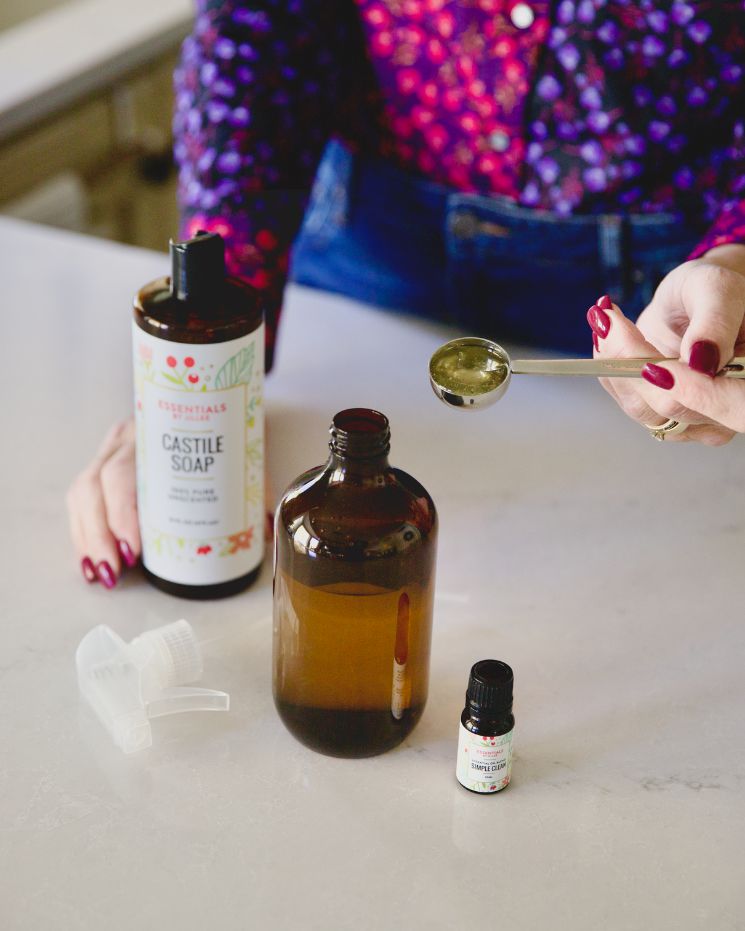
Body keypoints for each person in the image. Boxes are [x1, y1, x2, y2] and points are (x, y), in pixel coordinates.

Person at [67, 1, 745, 587]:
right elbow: (261, 26)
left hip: (668, 286)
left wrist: (737, 255)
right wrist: (207, 364)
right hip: (363, 243)